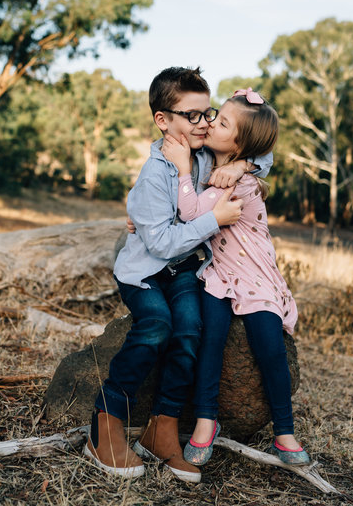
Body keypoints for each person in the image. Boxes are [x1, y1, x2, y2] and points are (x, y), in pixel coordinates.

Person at [84, 68, 272, 482]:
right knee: (156, 327)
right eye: (193, 115)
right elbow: (160, 245)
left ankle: (162, 428)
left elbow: (264, 149)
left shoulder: (207, 151)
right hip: (146, 272)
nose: (205, 124)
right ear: (163, 120)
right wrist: (215, 219)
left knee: (189, 329)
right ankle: (107, 419)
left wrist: (241, 166)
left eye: (210, 113)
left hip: (186, 266)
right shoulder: (154, 175)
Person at [161, 87, 310, 467]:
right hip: (218, 272)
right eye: (216, 115)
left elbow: (194, 212)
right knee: (211, 341)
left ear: (241, 143)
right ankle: (206, 420)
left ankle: (285, 430)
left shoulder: (238, 181)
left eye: (222, 122)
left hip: (256, 277)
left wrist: (232, 167)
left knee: (270, 349)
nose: (211, 122)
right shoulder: (212, 157)